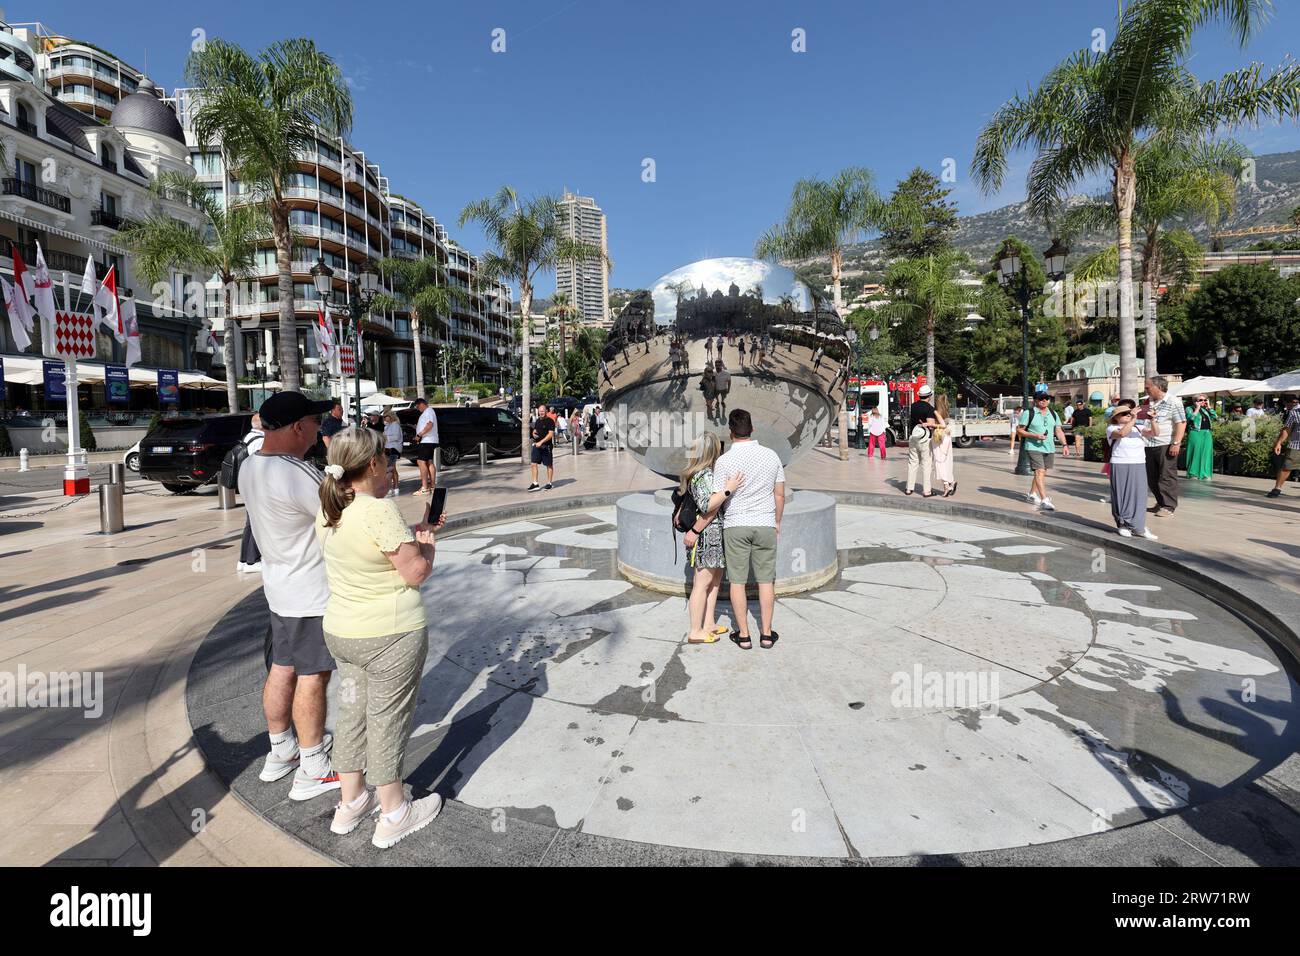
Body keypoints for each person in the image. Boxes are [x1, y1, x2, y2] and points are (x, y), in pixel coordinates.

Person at [315, 426, 446, 847]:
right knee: (388, 719)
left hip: (343, 631)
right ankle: (393, 811)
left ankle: (350, 802)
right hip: (389, 634)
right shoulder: (379, 509)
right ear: (372, 464)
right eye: (386, 456)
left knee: (352, 714)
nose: (391, 462)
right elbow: (415, 572)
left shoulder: (332, 507)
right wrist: (426, 544)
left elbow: (367, 545)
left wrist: (412, 531)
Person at [238, 391, 341, 802]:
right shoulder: (295, 472)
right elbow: (340, 515)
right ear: (298, 426)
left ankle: (281, 750)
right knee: (314, 675)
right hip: (312, 594)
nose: (319, 433)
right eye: (316, 424)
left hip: (280, 588)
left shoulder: (250, 465)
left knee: (282, 667)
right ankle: (313, 765)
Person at [712, 409, 784, 650]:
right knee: (766, 581)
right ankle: (765, 633)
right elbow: (779, 494)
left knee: (738, 582)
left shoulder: (723, 461)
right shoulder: (771, 456)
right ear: (752, 429)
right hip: (764, 523)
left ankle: (743, 635)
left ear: (730, 432)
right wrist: (777, 521)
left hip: (735, 524)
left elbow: (717, 497)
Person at [680, 433, 745, 644]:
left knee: (715, 581)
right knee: (702, 583)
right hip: (708, 536)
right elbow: (708, 506)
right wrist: (729, 489)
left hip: (715, 535)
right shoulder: (703, 476)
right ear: (712, 451)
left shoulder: (705, 473)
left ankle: (708, 623)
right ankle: (695, 630)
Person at [1107, 403, 1158, 540]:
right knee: (1121, 494)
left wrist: (1153, 420)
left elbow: (1155, 433)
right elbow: (1123, 433)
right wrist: (1133, 419)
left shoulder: (1138, 427)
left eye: (1129, 413)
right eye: (1124, 414)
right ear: (1116, 418)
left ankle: (1138, 526)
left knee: (1139, 495)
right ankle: (1123, 524)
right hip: (1120, 463)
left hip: (1139, 463)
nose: (1128, 415)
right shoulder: (1112, 428)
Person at [1017, 388, 1070, 510]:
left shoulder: (1053, 413)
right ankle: (1044, 499)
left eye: (1047, 398)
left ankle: (1031, 494)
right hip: (1033, 446)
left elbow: (1058, 430)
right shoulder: (1029, 413)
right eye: (1041, 398)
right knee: (1039, 471)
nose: (1044, 400)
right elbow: (1020, 430)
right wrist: (1034, 436)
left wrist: (1065, 445)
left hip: (1049, 447)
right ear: (1036, 400)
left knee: (1042, 472)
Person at [1141, 375, 1185, 518]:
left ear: (1158, 387)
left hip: (1165, 443)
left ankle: (1168, 506)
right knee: (1151, 476)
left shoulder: (1174, 402)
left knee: (1166, 476)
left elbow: (1181, 423)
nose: (1145, 389)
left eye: (1148, 387)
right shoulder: (1149, 402)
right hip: (1148, 443)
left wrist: (1176, 443)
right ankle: (1160, 502)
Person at [236, 413, 266, 574]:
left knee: (250, 523)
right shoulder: (259, 441)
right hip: (256, 487)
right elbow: (260, 465)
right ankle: (252, 560)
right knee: (256, 523)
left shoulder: (248, 437)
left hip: (248, 484)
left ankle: (243, 560)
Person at [904, 385, 939, 497]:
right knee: (926, 465)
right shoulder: (929, 408)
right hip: (925, 439)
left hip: (913, 437)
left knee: (912, 463)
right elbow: (931, 425)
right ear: (929, 396)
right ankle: (926, 491)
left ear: (919, 395)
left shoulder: (913, 406)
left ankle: (909, 489)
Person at [1267, 396, 1300, 499]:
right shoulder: (1295, 413)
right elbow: (1287, 429)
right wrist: (1279, 443)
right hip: (1296, 444)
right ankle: (1277, 488)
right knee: (1287, 466)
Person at [1184, 395, 1217, 481]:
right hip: (1195, 432)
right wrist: (1197, 408)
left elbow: (1215, 417)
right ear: (1195, 401)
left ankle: (1205, 473)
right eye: (1200, 400)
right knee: (1195, 452)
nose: (1203, 401)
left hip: (1207, 433)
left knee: (1206, 453)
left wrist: (1209, 407)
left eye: (1205, 400)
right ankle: (1193, 473)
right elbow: (1190, 418)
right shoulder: (1189, 408)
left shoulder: (1205, 410)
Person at [412, 397, 439, 496]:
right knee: (429, 462)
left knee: (420, 461)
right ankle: (432, 486)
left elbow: (430, 425)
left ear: (422, 404)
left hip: (427, 441)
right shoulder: (429, 412)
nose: (418, 408)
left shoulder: (428, 411)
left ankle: (424, 487)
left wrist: (419, 435)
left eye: (418, 406)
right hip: (430, 440)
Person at [932, 393, 956, 497]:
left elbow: (942, 425)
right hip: (947, 438)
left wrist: (930, 424)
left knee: (939, 462)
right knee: (946, 462)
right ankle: (951, 482)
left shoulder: (936, 412)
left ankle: (947, 486)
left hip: (939, 439)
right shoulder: (946, 412)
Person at [528, 402, 555, 490]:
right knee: (533, 463)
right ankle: (535, 483)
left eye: (543, 411)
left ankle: (549, 483)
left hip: (546, 446)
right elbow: (535, 430)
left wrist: (541, 442)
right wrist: (533, 433)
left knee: (549, 465)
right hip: (537, 446)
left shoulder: (550, 421)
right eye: (540, 411)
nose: (541, 413)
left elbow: (550, 434)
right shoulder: (538, 421)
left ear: (546, 411)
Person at [382, 411, 403, 496]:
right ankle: (391, 487)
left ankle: (396, 487)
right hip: (388, 448)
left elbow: (396, 437)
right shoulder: (387, 426)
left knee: (392, 468)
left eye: (385, 416)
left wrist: (385, 437)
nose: (384, 418)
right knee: (389, 468)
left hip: (394, 449)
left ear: (390, 416)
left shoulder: (395, 425)